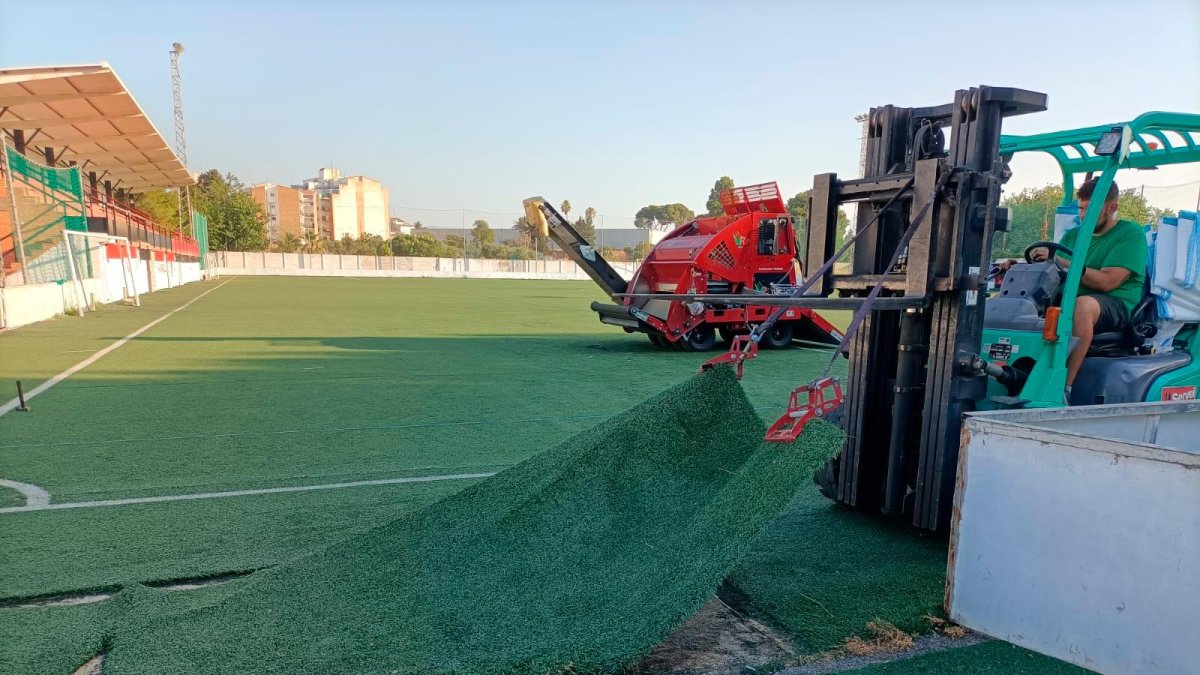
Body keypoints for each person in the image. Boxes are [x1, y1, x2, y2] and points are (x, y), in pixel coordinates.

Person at [1013, 178, 1148, 400]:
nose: (1084, 215)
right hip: (1068, 301)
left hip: (1113, 304)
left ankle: (1062, 388)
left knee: (1082, 306)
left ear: (1112, 207)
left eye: (1090, 209)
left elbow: (1107, 282)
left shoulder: (1129, 234)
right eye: (1082, 208)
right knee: (1020, 305)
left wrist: (1064, 262)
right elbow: (1056, 269)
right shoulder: (1073, 236)